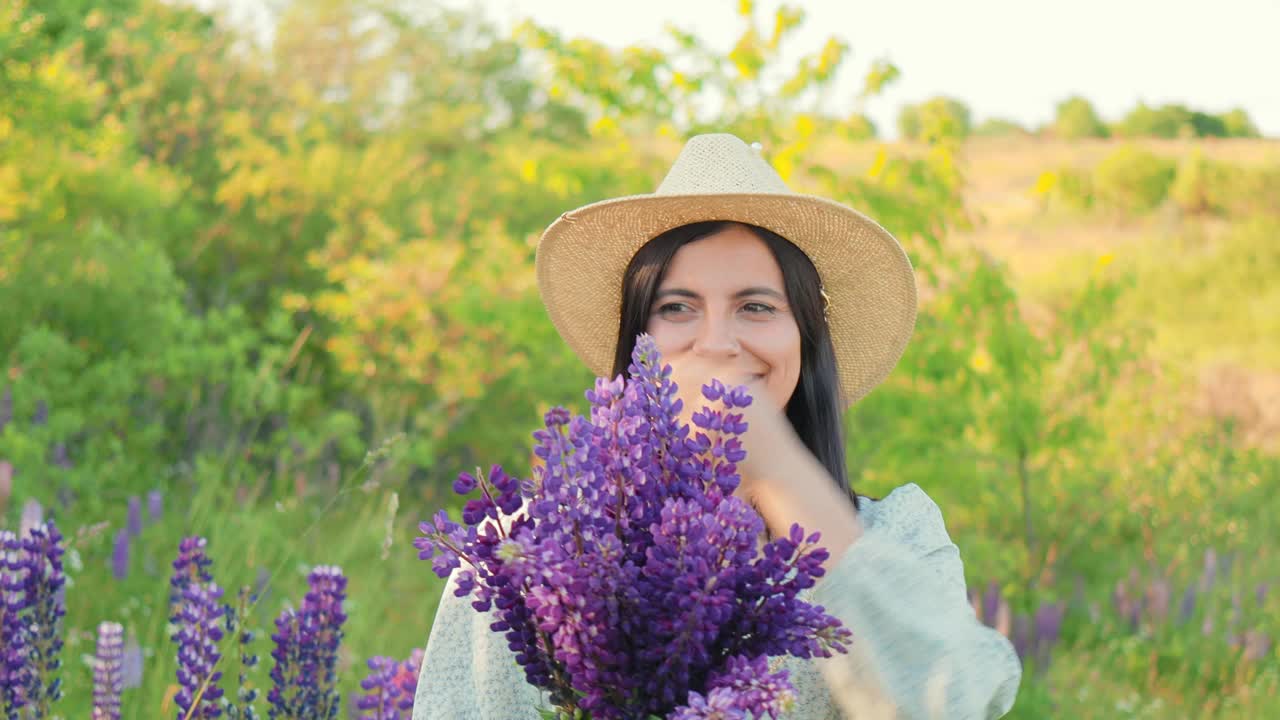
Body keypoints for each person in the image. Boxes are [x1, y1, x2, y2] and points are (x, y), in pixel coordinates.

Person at [412, 133, 1022, 719]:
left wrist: (780, 473)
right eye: (675, 307)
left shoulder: (897, 535)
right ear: (636, 347)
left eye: (756, 306)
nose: (717, 343)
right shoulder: (524, 551)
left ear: (804, 341)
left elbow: (954, 701)